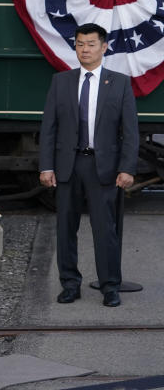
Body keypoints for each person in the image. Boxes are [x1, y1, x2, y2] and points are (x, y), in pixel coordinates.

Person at [39, 23, 138, 308]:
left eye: (91, 44)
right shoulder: (61, 81)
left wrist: (127, 168)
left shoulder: (119, 83)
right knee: (66, 228)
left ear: (104, 47)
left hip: (103, 168)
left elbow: (130, 131)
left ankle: (110, 287)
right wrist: (46, 166)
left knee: (105, 230)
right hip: (68, 166)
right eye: (80, 44)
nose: (85, 49)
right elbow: (49, 128)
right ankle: (70, 284)